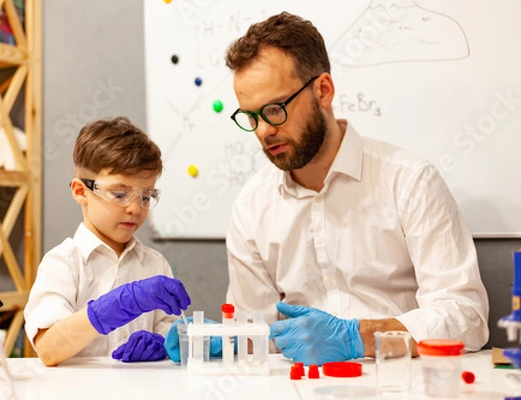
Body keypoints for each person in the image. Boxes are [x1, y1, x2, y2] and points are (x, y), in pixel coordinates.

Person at [222, 12, 489, 365]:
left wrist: (359, 337)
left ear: (323, 90)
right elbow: (253, 333)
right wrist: (219, 341)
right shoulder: (252, 207)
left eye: (274, 110)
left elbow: (466, 318)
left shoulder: (408, 181)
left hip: (403, 385)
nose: (262, 131)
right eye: (250, 117)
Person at [24, 117, 191, 366]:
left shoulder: (155, 265)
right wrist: (115, 306)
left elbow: (175, 341)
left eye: (147, 196)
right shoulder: (63, 263)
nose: (136, 208)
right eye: (120, 194)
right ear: (81, 191)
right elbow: (48, 349)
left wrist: (164, 346)